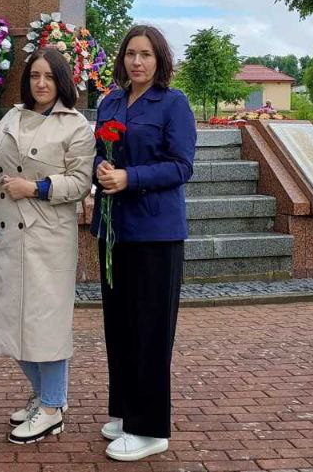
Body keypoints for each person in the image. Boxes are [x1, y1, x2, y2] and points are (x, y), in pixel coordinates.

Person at [91, 25, 196, 462]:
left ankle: (150, 428)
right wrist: (101, 168)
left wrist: (130, 178)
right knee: (120, 325)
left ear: (160, 60)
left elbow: (181, 165)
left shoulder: (174, 104)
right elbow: (100, 151)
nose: (137, 62)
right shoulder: (110, 101)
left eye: (146, 55)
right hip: (115, 229)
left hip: (156, 232)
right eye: (131, 54)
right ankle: (125, 411)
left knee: (151, 330)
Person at [0, 48, 94, 444]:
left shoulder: (76, 126)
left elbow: (80, 183)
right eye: (34, 75)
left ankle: (52, 407)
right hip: (9, 234)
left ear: (61, 80)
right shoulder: (11, 116)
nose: (41, 83)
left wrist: (35, 187)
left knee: (44, 324)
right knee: (8, 319)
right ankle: (48, 396)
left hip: (48, 235)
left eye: (49, 76)